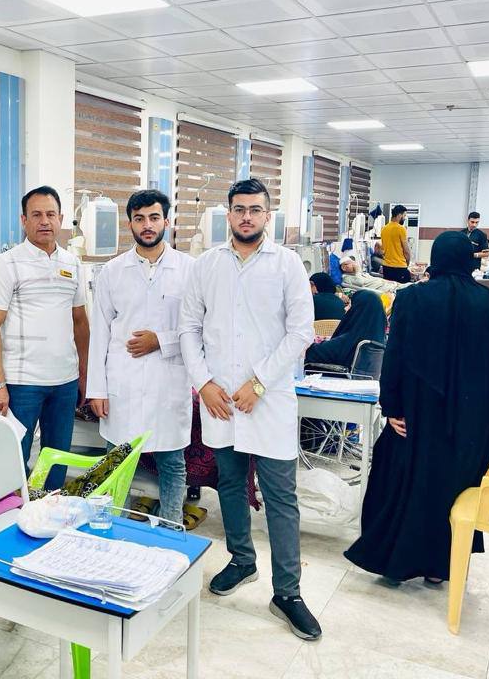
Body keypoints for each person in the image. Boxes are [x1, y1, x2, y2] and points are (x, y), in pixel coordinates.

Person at [345, 231, 489, 584]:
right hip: (473, 422)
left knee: (405, 480)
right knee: (454, 489)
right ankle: (439, 566)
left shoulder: (413, 298)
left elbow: (395, 357)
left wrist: (392, 407)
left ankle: (397, 561)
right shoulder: (488, 301)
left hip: (420, 415)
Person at [179, 178, 321, 641]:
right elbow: (188, 329)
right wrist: (204, 384)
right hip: (220, 400)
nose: (246, 217)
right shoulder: (206, 265)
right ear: (228, 214)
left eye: (255, 210)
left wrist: (259, 382)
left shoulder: (287, 264)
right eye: (239, 209)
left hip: (270, 399)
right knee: (230, 484)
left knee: (281, 497)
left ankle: (288, 593)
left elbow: (301, 332)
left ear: (267, 215)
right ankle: (242, 560)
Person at [87, 189, 195, 525]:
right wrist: (97, 390)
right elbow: (99, 334)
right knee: (117, 461)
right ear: (130, 224)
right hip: (124, 384)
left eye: (154, 217)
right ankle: (111, 524)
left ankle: (171, 528)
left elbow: (200, 329)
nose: (147, 225)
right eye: (139, 219)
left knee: (172, 463)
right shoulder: (112, 272)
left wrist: (160, 341)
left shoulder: (190, 270)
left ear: (167, 221)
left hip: (168, 383)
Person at [0, 186, 90, 489]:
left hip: (65, 381)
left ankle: (50, 508)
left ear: (61, 219)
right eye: (37, 214)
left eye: (51, 214)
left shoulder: (72, 264)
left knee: (57, 459)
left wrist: (84, 374)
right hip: (22, 382)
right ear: (24, 220)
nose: (45, 221)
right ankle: (11, 511)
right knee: (13, 461)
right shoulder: (7, 264)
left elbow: (80, 323)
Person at [304, 290, 386, 369]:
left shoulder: (349, 341)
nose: (345, 309)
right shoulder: (378, 342)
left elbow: (312, 352)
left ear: (358, 310)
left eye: (350, 306)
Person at [339, 255, 411, 294]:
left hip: (391, 285)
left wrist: (393, 282)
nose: (354, 264)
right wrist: (357, 270)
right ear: (344, 267)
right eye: (351, 263)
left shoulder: (361, 274)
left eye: (354, 262)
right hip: (388, 290)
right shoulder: (346, 278)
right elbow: (360, 283)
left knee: (412, 285)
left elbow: (375, 279)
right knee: (413, 288)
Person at [380, 205, 412, 283]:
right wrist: (407, 264)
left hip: (386, 268)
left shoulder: (384, 229)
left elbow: (383, 250)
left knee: (389, 289)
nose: (404, 218)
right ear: (399, 215)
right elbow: (406, 251)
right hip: (399, 267)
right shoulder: (401, 229)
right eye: (404, 216)